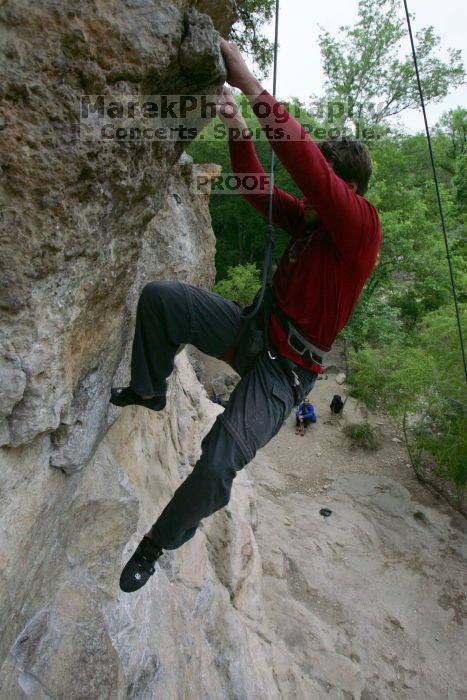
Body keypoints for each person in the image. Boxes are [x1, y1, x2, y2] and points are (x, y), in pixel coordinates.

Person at [112, 39, 382, 592]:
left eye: (327, 181)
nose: (309, 191)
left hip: (286, 372)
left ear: (347, 189)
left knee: (218, 463)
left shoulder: (359, 228)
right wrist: (239, 130)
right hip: (256, 329)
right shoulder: (312, 225)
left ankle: (155, 544)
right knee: (163, 298)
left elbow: (306, 167)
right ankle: (148, 388)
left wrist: (254, 90)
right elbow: (258, 193)